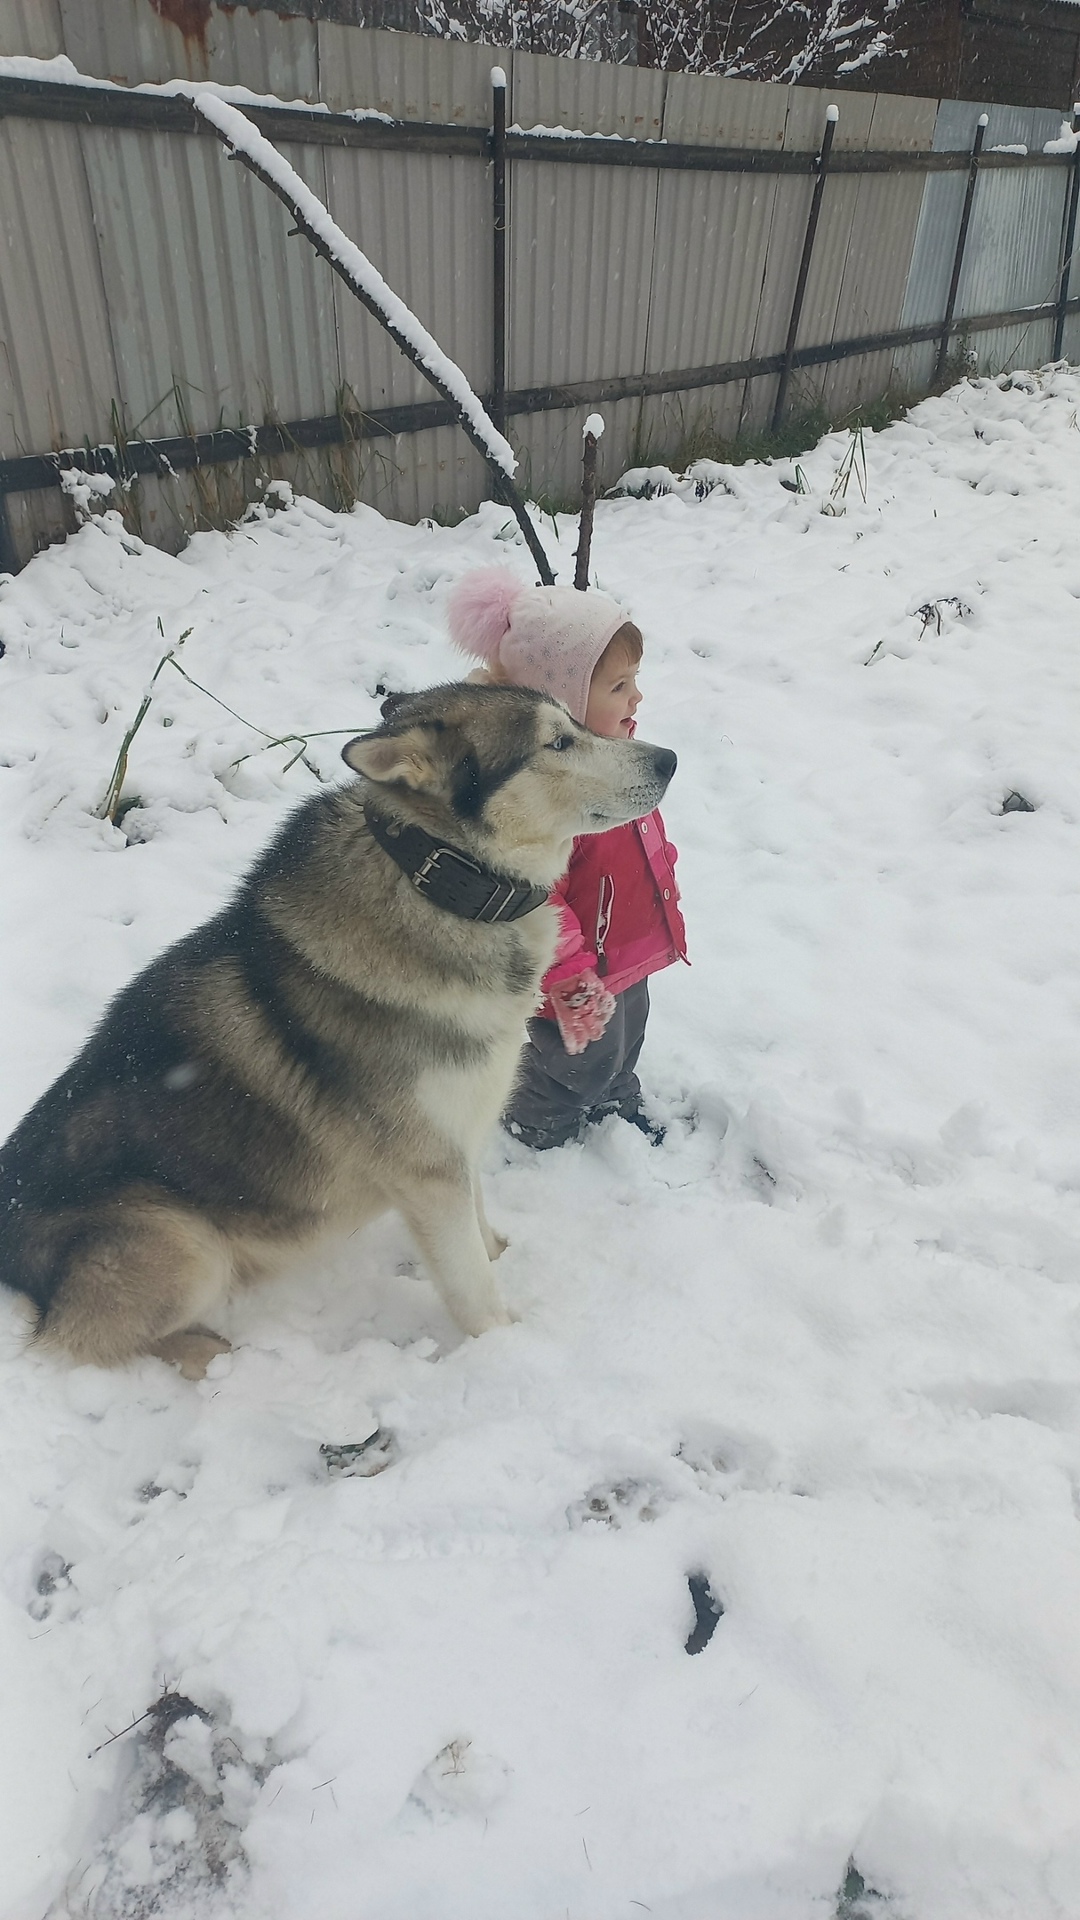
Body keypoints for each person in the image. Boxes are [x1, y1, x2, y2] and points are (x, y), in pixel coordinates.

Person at [448, 568, 687, 1149]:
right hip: (577, 965)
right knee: (570, 1057)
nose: (636, 697)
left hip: (630, 941)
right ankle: (538, 1116)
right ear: (563, 706)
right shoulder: (548, 796)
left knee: (626, 1035)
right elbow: (534, 897)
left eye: (634, 680)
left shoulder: (621, 758)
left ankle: (617, 1092)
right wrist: (566, 972)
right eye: (618, 686)